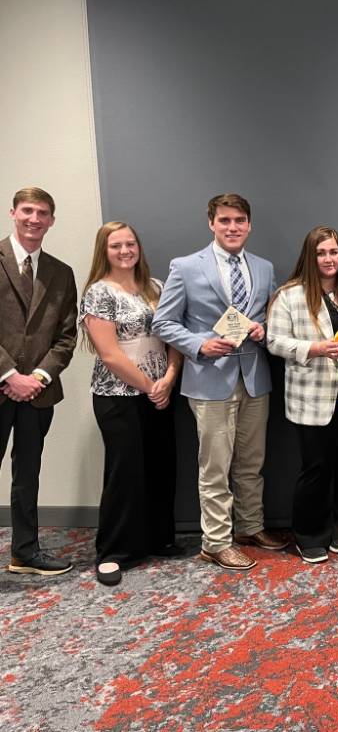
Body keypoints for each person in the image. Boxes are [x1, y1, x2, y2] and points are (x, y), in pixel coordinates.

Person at [152, 193, 285, 570]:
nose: (232, 227)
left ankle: (250, 526)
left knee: (251, 462)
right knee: (215, 466)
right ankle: (215, 541)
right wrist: (199, 344)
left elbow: (272, 316)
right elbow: (162, 322)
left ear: (249, 225)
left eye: (239, 220)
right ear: (211, 223)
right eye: (224, 220)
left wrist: (264, 330)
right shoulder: (186, 267)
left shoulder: (263, 267)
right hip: (209, 380)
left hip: (255, 377)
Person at [267, 227, 338, 564]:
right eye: (321, 253)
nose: (329, 259)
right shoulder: (290, 295)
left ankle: (337, 528)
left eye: (333, 252)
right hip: (312, 395)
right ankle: (308, 534)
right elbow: (274, 341)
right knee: (316, 466)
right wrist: (313, 348)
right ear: (310, 256)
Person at [79, 221, 183, 586]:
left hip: (161, 391)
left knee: (161, 465)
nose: (125, 251)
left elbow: (174, 337)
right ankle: (113, 551)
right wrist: (149, 385)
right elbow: (108, 354)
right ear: (104, 252)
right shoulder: (98, 292)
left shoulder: (156, 287)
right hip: (117, 395)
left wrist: (168, 379)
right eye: (116, 246)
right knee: (125, 473)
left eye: (130, 244)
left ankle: (158, 539)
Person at [1, 187, 77, 576]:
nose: (34, 218)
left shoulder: (61, 272)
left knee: (27, 474)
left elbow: (66, 336)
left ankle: (25, 552)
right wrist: (10, 375)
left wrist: (38, 376)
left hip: (39, 392)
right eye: (27, 210)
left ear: (51, 220)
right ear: (13, 213)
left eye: (43, 213)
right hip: (1, 385)